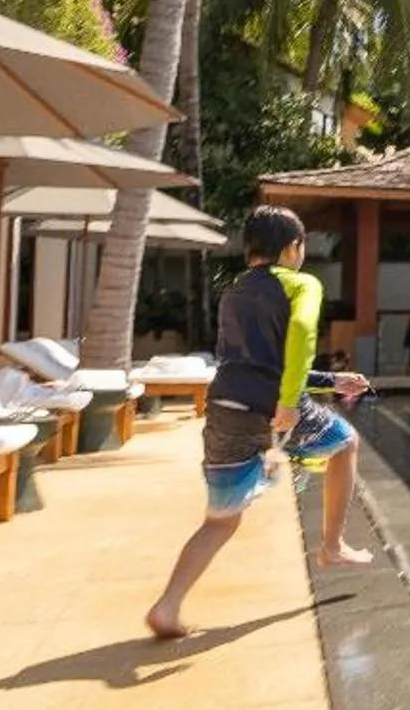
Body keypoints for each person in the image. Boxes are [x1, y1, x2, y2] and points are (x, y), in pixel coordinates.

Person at [145, 205, 375, 639]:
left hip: (224, 408)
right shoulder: (302, 283)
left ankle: (167, 605)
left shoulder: (234, 291)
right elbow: (303, 335)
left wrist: (329, 381)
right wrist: (290, 402)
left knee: (219, 520)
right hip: (271, 409)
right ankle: (331, 546)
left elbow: (252, 361)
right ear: (293, 248)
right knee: (345, 444)